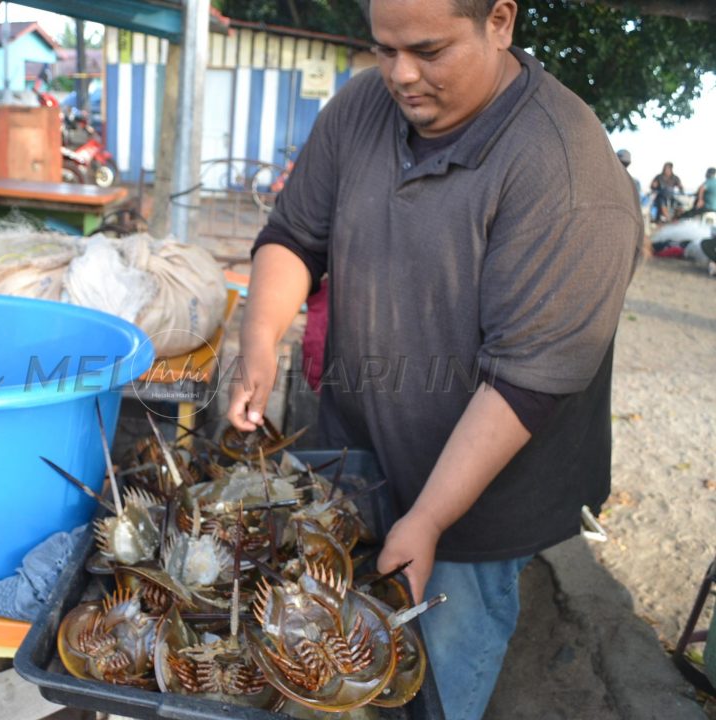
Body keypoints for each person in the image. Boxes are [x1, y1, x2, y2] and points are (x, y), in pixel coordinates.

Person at [226, 1, 642, 718]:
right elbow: (295, 236)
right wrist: (260, 340)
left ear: (501, 20)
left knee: (430, 682)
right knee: (322, 658)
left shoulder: (565, 169)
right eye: (383, 49)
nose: (401, 75)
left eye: (428, 50)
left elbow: (527, 381)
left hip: (481, 504)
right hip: (353, 453)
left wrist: (429, 519)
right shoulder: (361, 107)